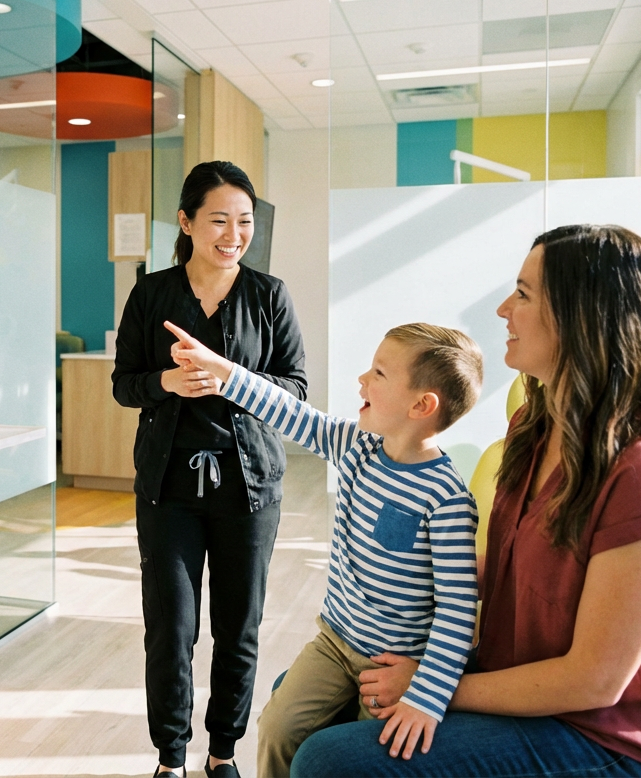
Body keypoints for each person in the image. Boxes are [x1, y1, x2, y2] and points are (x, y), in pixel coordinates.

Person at [290, 224, 641, 778]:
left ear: (583, 316)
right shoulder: (535, 424)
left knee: (329, 760)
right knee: (307, 700)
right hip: (528, 682)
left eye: (523, 294)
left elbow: (594, 679)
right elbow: (520, 572)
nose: (504, 308)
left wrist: (430, 690)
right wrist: (415, 571)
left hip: (615, 740)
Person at [166, 320, 483, 777]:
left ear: (421, 405)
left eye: (379, 373)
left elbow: (458, 608)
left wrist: (426, 698)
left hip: (390, 663)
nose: (362, 380)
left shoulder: (447, 500)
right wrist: (223, 371)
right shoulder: (357, 445)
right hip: (334, 642)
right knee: (277, 728)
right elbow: (289, 413)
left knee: (354, 762)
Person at [112, 161, 308, 778]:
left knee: (238, 627)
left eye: (244, 221)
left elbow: (297, 390)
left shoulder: (269, 294)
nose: (233, 234)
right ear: (187, 222)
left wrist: (230, 376)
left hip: (249, 489)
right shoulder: (151, 293)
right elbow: (124, 385)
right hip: (168, 486)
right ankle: (171, 760)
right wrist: (168, 381)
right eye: (219, 219)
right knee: (170, 630)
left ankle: (221, 755)